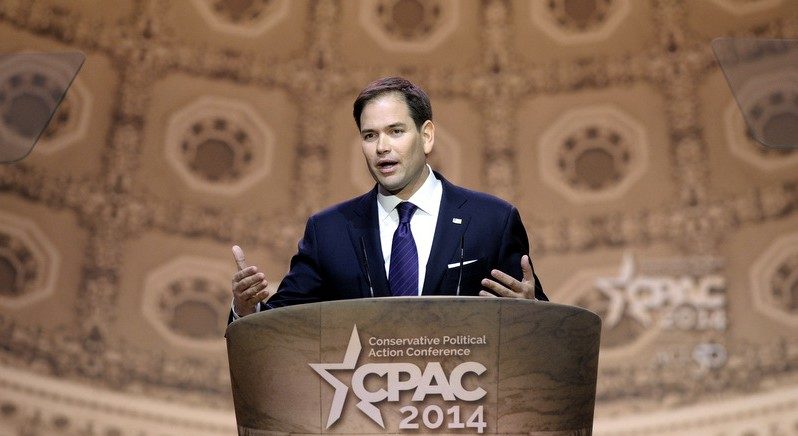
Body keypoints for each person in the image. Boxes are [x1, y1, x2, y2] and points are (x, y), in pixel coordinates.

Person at [229, 77, 546, 321]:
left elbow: (548, 332)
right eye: (370, 135)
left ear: (426, 136)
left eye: (395, 131)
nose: (382, 147)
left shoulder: (492, 221)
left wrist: (532, 314)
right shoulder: (329, 231)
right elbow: (276, 325)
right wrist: (246, 309)